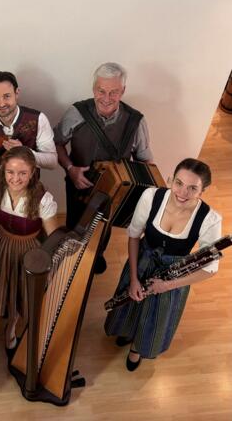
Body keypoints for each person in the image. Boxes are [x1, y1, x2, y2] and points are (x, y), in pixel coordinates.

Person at [104, 158, 221, 371]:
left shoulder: (210, 219)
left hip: (173, 277)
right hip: (141, 262)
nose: (182, 193)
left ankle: (136, 349)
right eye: (178, 183)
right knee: (131, 301)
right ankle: (127, 332)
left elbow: (209, 269)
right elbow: (134, 236)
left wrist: (167, 285)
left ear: (202, 191)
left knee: (154, 315)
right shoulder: (151, 197)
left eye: (192, 188)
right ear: (171, 179)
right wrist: (133, 278)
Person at [54, 62, 154, 273]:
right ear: (93, 89)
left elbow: (145, 162)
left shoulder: (136, 121)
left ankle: (96, 255)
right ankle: (71, 259)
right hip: (78, 185)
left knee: (103, 228)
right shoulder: (76, 113)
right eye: (101, 91)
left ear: (123, 91)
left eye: (113, 92)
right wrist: (70, 169)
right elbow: (57, 143)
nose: (106, 98)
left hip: (113, 192)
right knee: (74, 223)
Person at [0, 146, 58, 355]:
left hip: (28, 250)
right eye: (10, 172)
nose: (15, 179)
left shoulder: (43, 199)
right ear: (3, 170)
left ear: (32, 172)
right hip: (0, 243)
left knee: (19, 290)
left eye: (23, 173)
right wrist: (1, 240)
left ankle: (11, 327)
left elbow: (53, 238)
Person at [0, 71, 57, 186]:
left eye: (7, 96)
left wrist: (26, 153)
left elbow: (52, 161)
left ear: (17, 93)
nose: (1, 104)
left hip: (29, 190)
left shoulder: (39, 119)